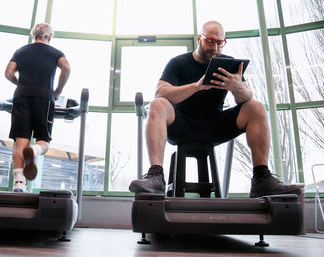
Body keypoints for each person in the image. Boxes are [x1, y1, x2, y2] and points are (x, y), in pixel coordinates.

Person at [129, 20, 302, 198]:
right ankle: (156, 175)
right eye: (210, 41)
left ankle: (261, 179)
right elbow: (160, 92)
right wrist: (196, 86)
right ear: (199, 39)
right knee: (157, 105)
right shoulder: (178, 63)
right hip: (181, 126)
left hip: (214, 126)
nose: (215, 47)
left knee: (255, 107)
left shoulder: (229, 64)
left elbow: (246, 97)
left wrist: (237, 87)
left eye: (220, 42)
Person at [5, 23, 70, 192]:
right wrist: (57, 91)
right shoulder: (56, 53)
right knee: (44, 142)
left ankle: (19, 184)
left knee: (20, 141)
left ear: (34, 35)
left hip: (21, 97)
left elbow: (8, 73)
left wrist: (20, 84)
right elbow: (66, 67)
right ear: (49, 37)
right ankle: (34, 150)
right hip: (45, 99)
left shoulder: (21, 51)